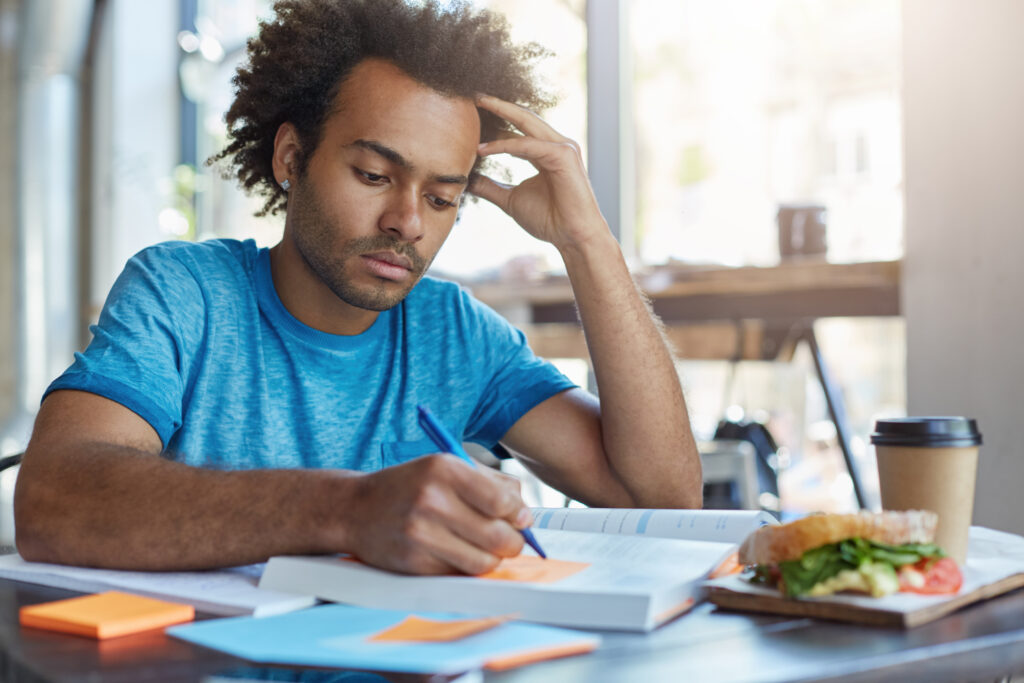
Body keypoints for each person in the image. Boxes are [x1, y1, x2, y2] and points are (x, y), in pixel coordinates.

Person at [14, 0, 701, 575]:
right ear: (291, 158)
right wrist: (348, 510)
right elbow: (51, 501)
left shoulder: (453, 332)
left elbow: (665, 500)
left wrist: (588, 242)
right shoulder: (185, 294)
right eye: (374, 175)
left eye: (441, 198)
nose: (406, 222)